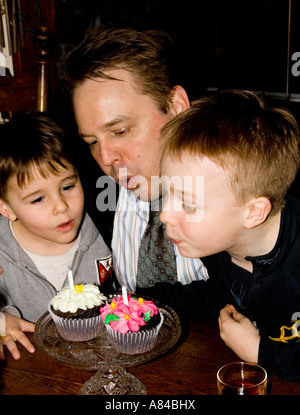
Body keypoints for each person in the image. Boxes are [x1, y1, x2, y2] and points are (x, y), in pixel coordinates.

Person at [140, 89, 300, 381]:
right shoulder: (222, 250)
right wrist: (142, 301)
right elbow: (218, 294)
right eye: (167, 193)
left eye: (188, 204)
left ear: (253, 213)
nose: (164, 215)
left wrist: (261, 352)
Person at [63, 23, 208, 292]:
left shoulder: (241, 194)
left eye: (120, 131)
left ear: (176, 107)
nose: (106, 159)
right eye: (92, 142)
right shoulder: (98, 201)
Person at [0, 113, 114, 360]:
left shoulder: (97, 239)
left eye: (67, 187)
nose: (61, 206)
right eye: (38, 199)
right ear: (6, 208)